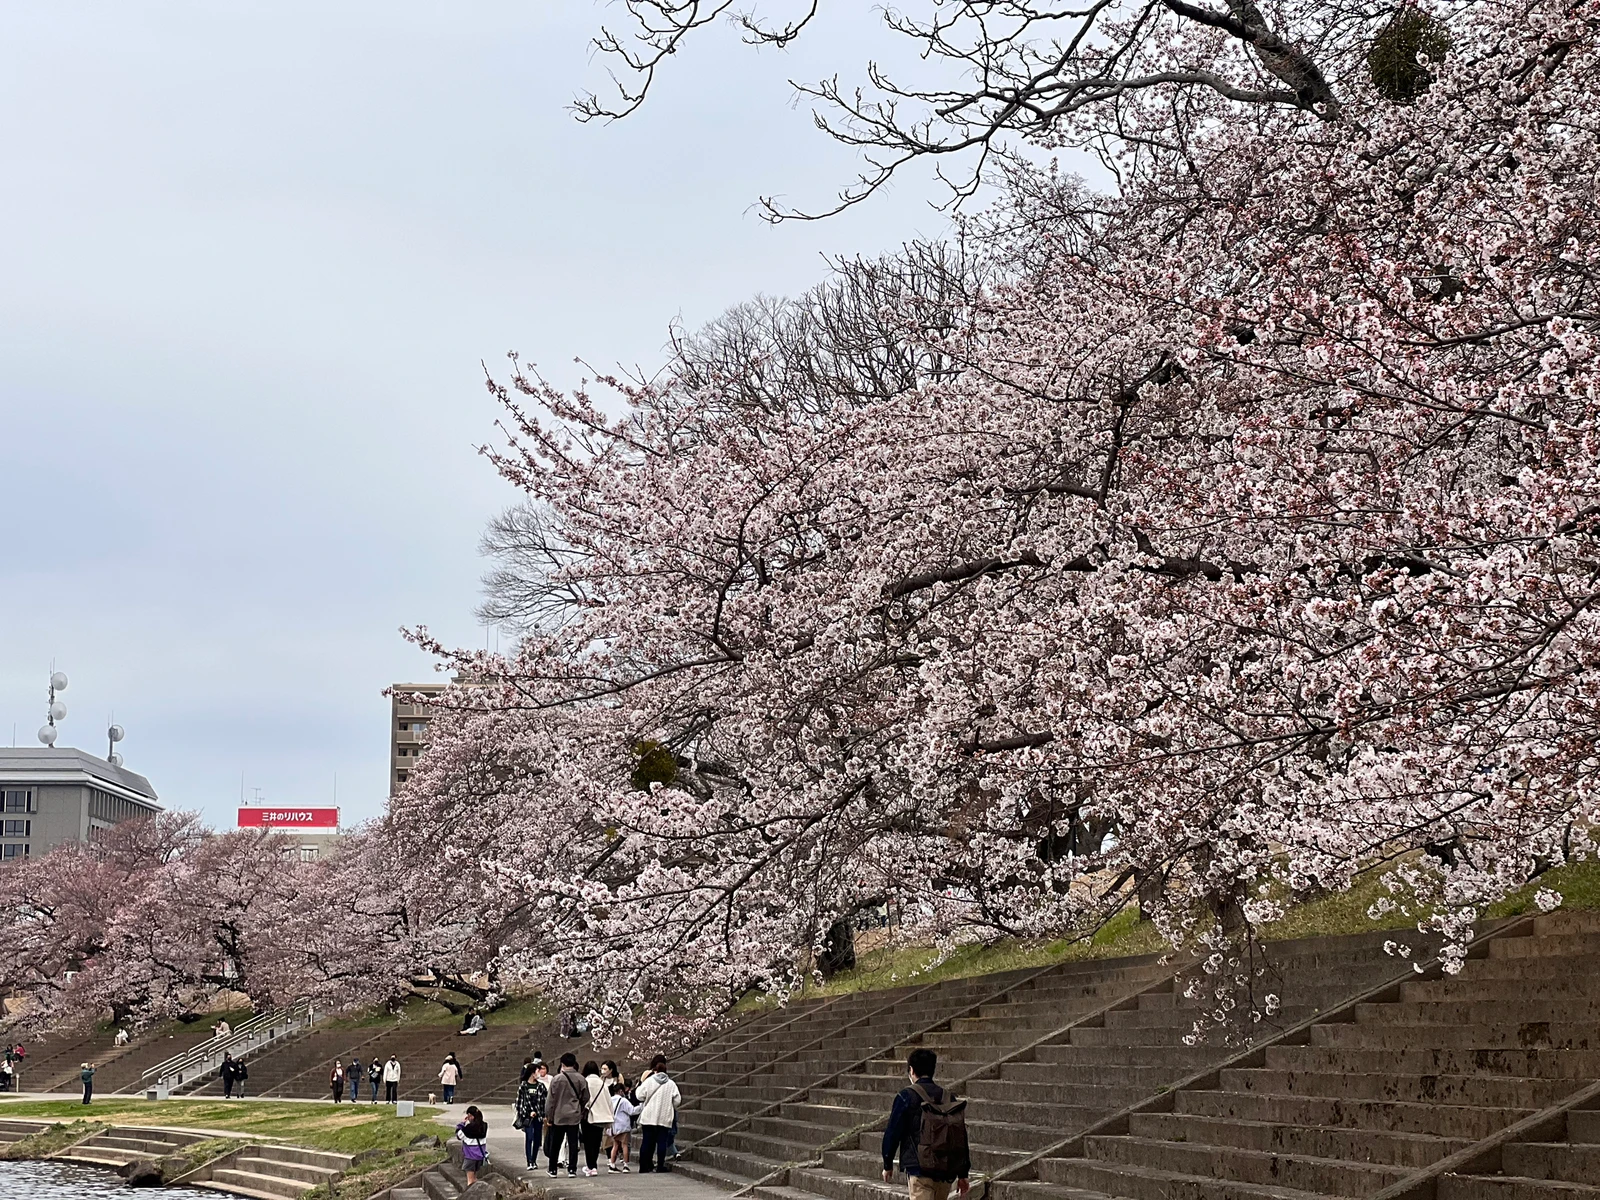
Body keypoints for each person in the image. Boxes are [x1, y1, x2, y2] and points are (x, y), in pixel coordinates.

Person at [881, 1049, 971, 1200]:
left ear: (911, 1070)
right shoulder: (948, 1097)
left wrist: (887, 1164)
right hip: (945, 1170)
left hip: (919, 1169)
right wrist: (963, 1174)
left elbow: (893, 1132)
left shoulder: (906, 1096)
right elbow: (960, 1137)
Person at [543, 1051, 589, 1179]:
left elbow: (550, 1100)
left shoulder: (557, 1079)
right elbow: (586, 1097)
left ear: (562, 1064)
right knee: (573, 1143)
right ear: (574, 1063)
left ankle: (552, 1169)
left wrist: (549, 1116)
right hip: (574, 1114)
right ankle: (572, 1169)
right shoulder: (581, 1079)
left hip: (559, 1115)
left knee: (556, 1143)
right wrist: (579, 1106)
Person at [636, 1056, 681, 1174]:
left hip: (649, 1117)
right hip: (664, 1118)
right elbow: (677, 1101)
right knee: (662, 1142)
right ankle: (660, 1165)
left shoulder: (649, 1081)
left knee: (646, 1142)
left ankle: (644, 1166)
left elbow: (639, 1095)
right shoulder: (671, 1084)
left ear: (655, 1070)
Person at [579, 1059, 615, 1177]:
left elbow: (583, 1099)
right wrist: (611, 1115)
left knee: (588, 1142)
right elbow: (609, 1101)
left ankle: (591, 1166)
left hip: (588, 1116)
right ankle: (593, 1165)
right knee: (596, 1142)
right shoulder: (602, 1084)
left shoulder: (584, 1082)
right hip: (601, 1117)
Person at [515, 1060, 549, 1169]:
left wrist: (544, 1115)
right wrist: (528, 1112)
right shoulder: (523, 1086)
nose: (539, 1073)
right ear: (532, 1073)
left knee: (537, 1138)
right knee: (529, 1137)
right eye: (537, 1071)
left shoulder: (541, 1086)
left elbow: (545, 1101)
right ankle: (529, 1161)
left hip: (538, 1116)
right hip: (527, 1117)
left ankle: (534, 1160)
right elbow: (519, 1103)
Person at [455, 1105, 490, 1187]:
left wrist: (462, 1123)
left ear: (471, 1116)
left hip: (470, 1157)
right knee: (475, 1178)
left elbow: (459, 1135)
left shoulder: (468, 1128)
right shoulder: (484, 1126)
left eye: (468, 1115)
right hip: (480, 1156)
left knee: (470, 1181)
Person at [609, 1080, 639, 1172]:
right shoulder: (623, 1100)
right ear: (621, 1091)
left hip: (613, 1126)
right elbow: (632, 1111)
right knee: (624, 1145)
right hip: (623, 1126)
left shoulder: (610, 1100)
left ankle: (612, 1164)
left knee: (615, 1145)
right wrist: (641, 1107)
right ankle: (625, 1165)